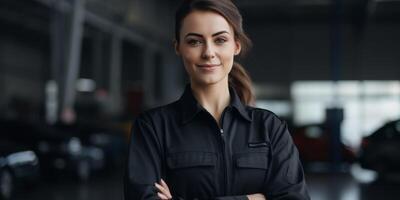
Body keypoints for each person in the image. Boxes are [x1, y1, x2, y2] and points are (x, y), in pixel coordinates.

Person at [124, 0, 310, 199]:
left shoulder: (269, 128)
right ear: (178, 47)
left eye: (220, 40)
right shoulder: (153, 128)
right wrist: (251, 199)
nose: (208, 53)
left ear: (236, 46)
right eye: (194, 41)